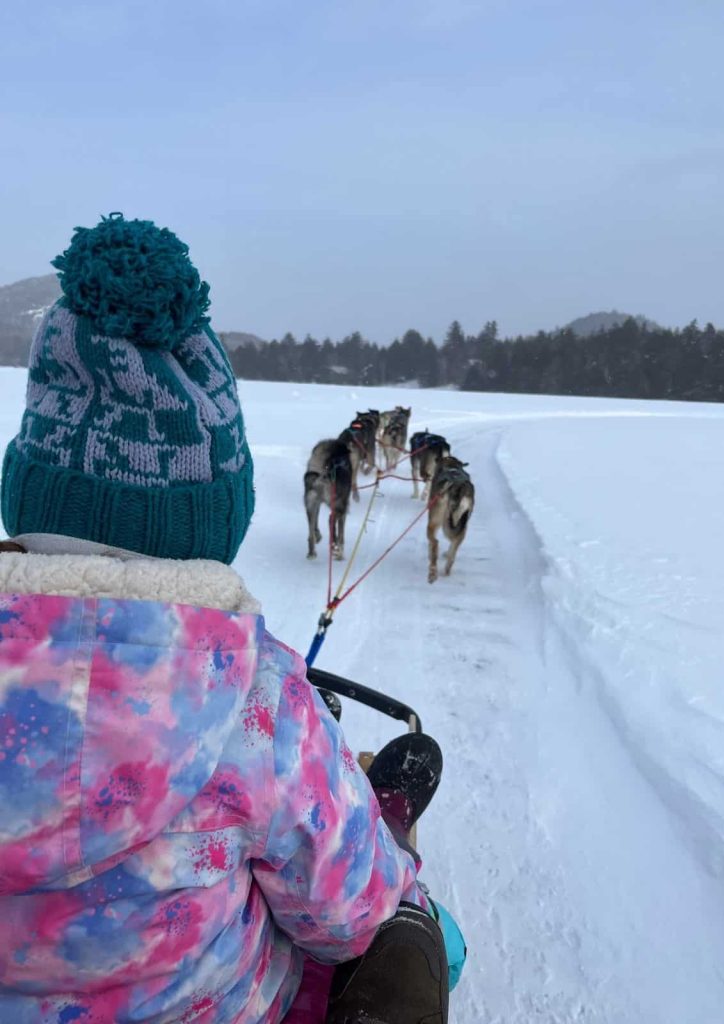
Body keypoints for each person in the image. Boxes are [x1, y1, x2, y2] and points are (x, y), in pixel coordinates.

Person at [0, 214, 464, 1023]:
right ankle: (378, 820)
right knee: (413, 939)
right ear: (214, 520)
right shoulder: (256, 696)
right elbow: (345, 915)